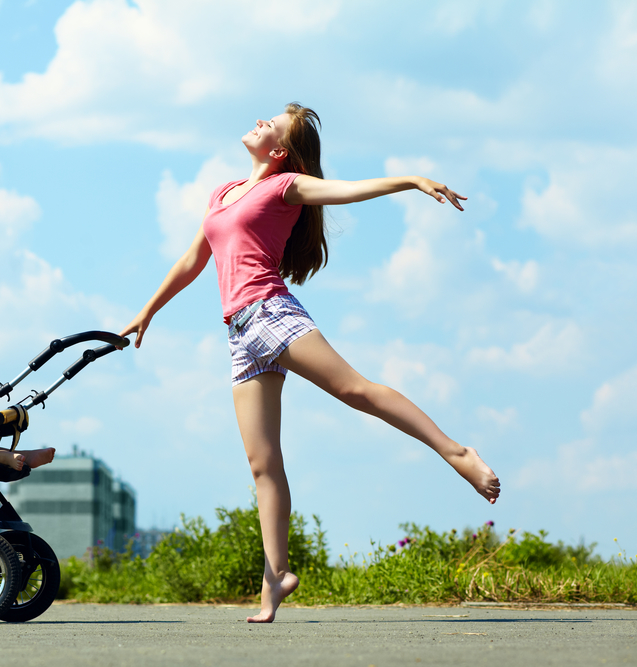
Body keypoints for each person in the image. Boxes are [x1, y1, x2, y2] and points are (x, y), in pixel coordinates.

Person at [119, 103, 500, 623]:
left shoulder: (286, 187)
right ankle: (275, 578)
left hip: (269, 311)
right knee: (263, 464)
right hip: (240, 334)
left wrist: (412, 180)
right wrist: (148, 311)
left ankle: (457, 453)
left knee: (354, 390)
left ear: (279, 151)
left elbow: (349, 189)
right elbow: (193, 259)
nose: (260, 121)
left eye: (271, 125)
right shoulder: (223, 193)